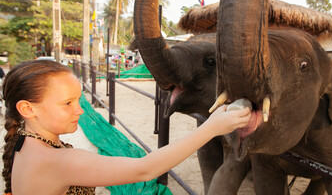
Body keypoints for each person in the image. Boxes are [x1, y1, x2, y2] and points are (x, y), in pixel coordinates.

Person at [2, 60, 251, 195]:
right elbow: (144, 169)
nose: (79, 110)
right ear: (27, 109)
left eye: (79, 100)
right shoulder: (57, 160)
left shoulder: (23, 144)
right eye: (67, 103)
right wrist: (212, 126)